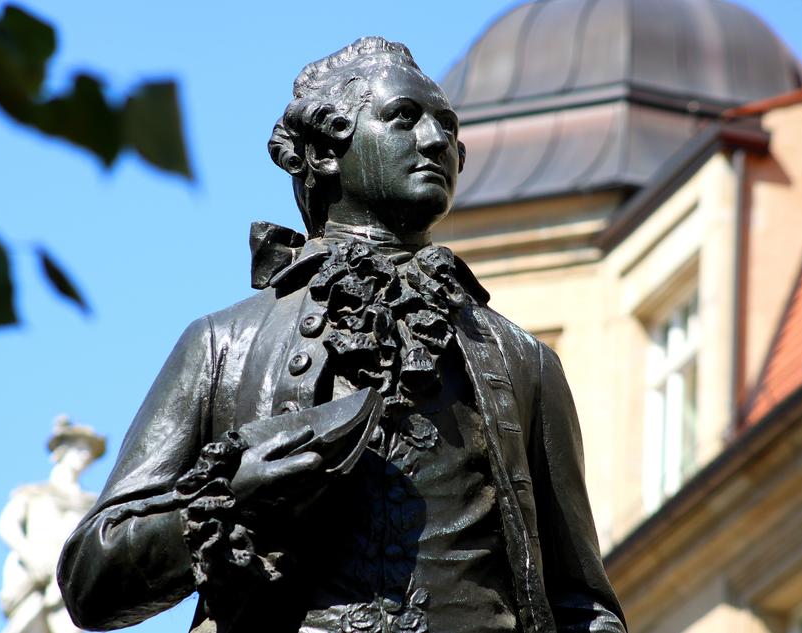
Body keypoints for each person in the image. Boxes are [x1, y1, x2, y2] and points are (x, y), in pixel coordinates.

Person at [57, 37, 626, 633]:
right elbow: (93, 579)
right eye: (404, 118)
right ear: (326, 150)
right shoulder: (224, 344)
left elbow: (581, 603)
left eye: (447, 127)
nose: (439, 142)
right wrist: (227, 500)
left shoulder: (523, 362)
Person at [0, 416, 106, 633]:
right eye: (80, 448)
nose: (85, 456)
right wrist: (31, 557)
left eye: (89, 453)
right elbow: (8, 526)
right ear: (62, 451)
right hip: (33, 576)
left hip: (68, 581)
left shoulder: (91, 503)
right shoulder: (33, 493)